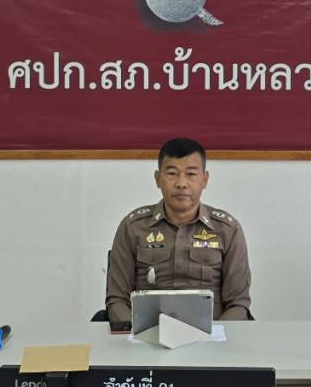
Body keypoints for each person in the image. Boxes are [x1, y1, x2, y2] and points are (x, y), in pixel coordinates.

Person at [105, 138, 253, 327]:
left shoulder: (227, 230)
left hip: (212, 337)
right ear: (158, 178)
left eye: (191, 174)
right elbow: (117, 299)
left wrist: (219, 336)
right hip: (146, 335)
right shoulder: (133, 227)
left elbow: (238, 304)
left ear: (205, 179)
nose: (181, 183)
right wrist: (132, 333)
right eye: (172, 174)